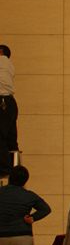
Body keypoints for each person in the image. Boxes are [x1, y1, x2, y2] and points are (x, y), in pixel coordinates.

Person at [0, 44, 17, 177]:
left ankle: (4, 169)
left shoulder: (2, 61)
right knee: (11, 138)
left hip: (2, 102)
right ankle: (16, 171)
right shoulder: (9, 65)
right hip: (10, 102)